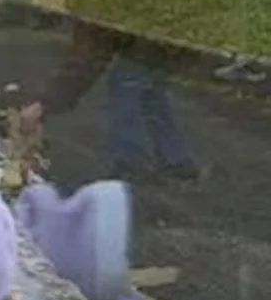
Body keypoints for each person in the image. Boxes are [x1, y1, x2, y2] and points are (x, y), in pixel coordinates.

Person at [20, 20, 198, 182]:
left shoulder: (96, 4)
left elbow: (88, 59)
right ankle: (176, 158)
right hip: (167, 35)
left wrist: (44, 103)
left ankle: (129, 160)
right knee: (150, 89)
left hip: (155, 40)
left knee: (126, 81)